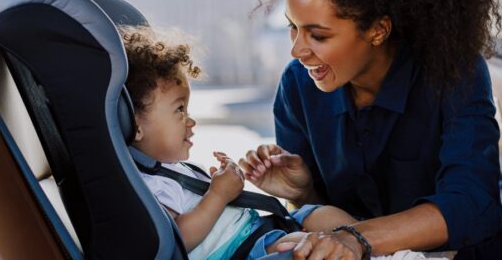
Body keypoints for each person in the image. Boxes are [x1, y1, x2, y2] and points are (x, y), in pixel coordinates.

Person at [240, 0, 502, 259]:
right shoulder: (297, 85)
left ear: (377, 31)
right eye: (293, 27)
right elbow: (324, 229)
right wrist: (303, 192)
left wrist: (355, 238)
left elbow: (471, 205)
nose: (297, 50)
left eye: (318, 35)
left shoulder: (453, 72)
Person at [119, 25, 358, 259]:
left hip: (259, 230)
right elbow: (175, 241)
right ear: (135, 125)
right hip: (241, 251)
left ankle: (373, 246)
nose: (190, 120)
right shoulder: (151, 186)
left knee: (322, 216)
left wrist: (219, 185)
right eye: (179, 109)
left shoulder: (175, 170)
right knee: (302, 247)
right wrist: (218, 195)